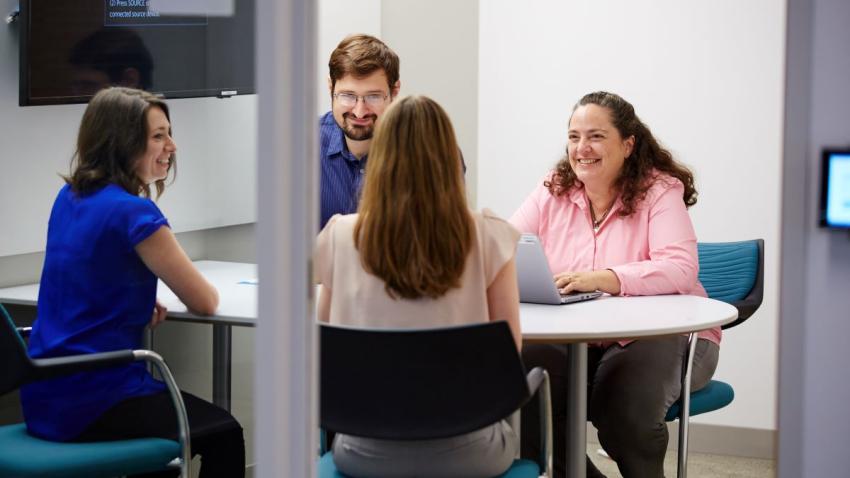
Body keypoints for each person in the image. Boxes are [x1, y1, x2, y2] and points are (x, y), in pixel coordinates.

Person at [20, 87, 245, 478]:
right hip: (97, 397)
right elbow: (205, 301)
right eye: (158, 135)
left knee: (161, 443)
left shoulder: (69, 196)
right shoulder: (135, 214)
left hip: (43, 393)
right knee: (225, 433)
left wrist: (138, 302)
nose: (171, 146)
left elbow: (86, 276)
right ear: (122, 142)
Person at [511, 91, 719, 478]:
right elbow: (503, 243)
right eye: (573, 137)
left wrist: (607, 278)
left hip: (666, 336)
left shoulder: (659, 190)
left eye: (595, 136)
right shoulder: (553, 188)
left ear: (627, 144)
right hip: (578, 337)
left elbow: (680, 268)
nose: (581, 148)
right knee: (522, 396)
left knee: (624, 412)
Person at [314, 95, 522, 478]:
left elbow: (324, 346)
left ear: (380, 158)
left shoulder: (339, 236)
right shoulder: (490, 235)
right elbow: (508, 352)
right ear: (449, 158)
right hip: (471, 453)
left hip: (362, 452)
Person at [319, 34, 400, 229]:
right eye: (348, 96)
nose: (359, 111)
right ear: (331, 87)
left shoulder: (430, 151)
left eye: (373, 97)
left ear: (394, 91)